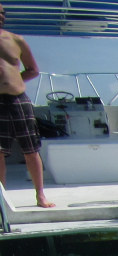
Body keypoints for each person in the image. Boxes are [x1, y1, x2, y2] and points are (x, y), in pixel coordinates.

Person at [0, 3, 53, 208]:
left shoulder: (16, 40)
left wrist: (15, 79)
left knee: (31, 149)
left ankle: (40, 196)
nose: (1, 16)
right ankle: (2, 201)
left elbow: (32, 70)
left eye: (3, 13)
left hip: (18, 99)